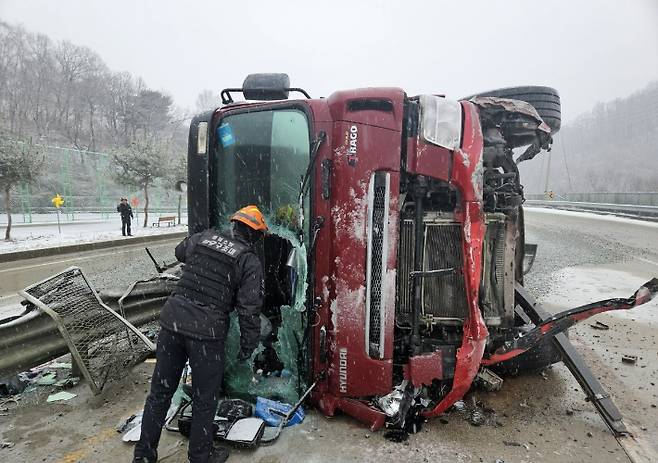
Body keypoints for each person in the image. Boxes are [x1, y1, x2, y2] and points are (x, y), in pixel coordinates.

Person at [133, 205, 267, 463]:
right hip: (206, 332)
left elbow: (179, 251)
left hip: (172, 323)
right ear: (255, 235)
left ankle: (143, 456)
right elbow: (249, 309)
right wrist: (248, 346)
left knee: (160, 394)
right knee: (205, 398)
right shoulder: (248, 260)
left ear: (235, 225)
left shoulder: (205, 237)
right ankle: (200, 457)